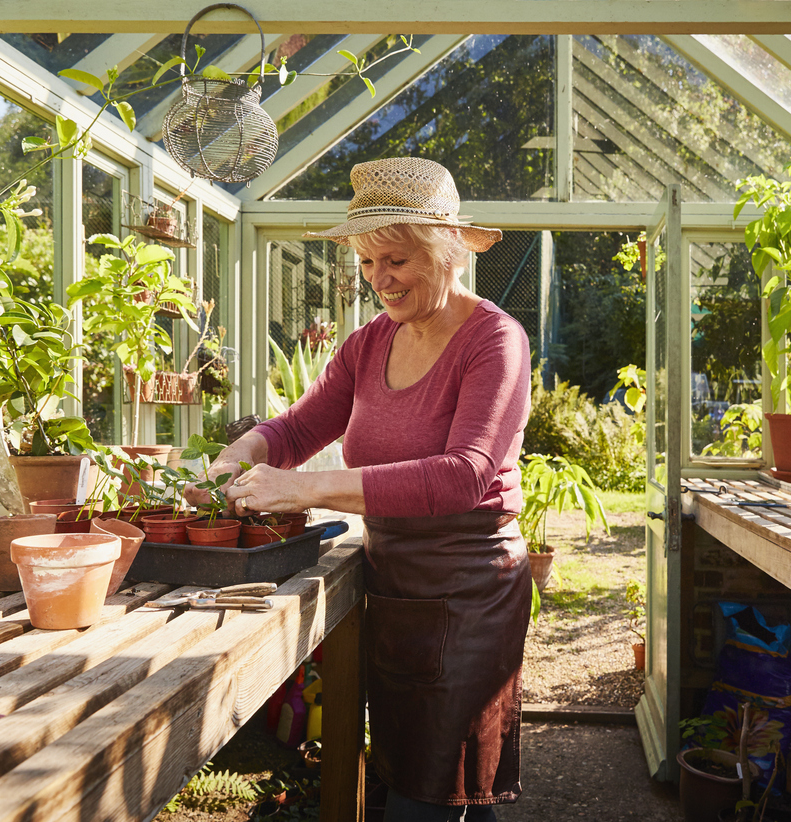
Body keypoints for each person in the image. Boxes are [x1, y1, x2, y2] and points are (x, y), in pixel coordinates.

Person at [187, 157, 532, 822]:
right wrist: (235, 459)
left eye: (395, 260)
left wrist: (299, 490)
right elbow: (295, 428)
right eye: (368, 263)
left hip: (469, 594)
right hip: (394, 585)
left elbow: (465, 475)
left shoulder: (494, 341)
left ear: (446, 250)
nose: (380, 280)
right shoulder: (369, 343)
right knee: (434, 784)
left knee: (427, 796)